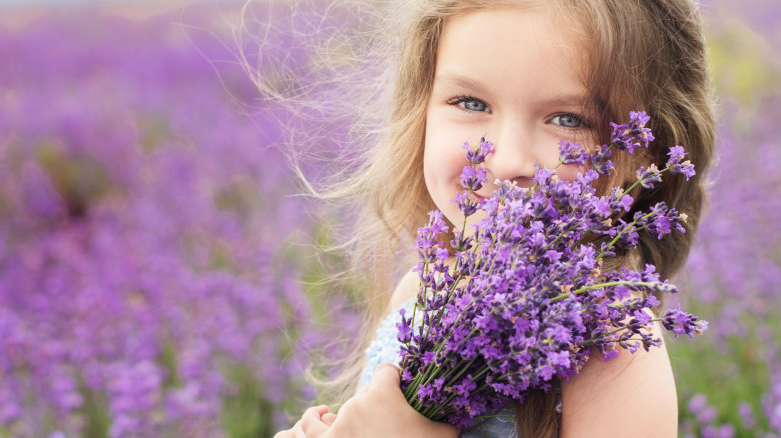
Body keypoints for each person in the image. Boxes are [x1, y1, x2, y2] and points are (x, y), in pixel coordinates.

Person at [272, 0, 715, 436]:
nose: (506, 162)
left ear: (645, 157)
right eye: (470, 103)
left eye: (568, 119)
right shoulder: (423, 289)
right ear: (420, 109)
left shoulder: (610, 339)